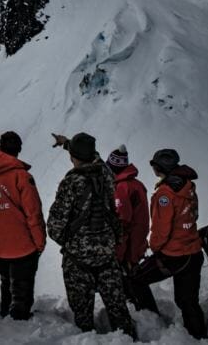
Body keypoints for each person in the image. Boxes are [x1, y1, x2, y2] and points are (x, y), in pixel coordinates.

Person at [47, 132, 137, 339]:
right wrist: (68, 144)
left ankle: (86, 340)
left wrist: (68, 241)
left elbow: (55, 224)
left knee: (83, 315)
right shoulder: (106, 173)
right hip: (107, 254)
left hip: (78, 259)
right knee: (119, 310)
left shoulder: (71, 182)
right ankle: (129, 340)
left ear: (74, 157)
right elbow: (93, 157)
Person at [129, 149, 208, 339]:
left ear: (160, 167)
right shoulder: (188, 186)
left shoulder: (165, 193)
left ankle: (151, 321)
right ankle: (200, 337)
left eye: (154, 164)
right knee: (187, 301)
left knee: (135, 279)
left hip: (173, 255)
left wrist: (155, 248)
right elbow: (193, 215)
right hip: (193, 252)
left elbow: (161, 229)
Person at [0, 131, 47, 320]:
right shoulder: (22, 176)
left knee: (6, 284)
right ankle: (18, 325)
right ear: (19, 149)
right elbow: (33, 214)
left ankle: (6, 317)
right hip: (24, 245)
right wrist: (39, 242)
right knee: (21, 289)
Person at [106, 145, 149, 306]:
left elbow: (122, 222)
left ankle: (142, 310)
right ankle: (147, 312)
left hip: (128, 245)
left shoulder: (122, 187)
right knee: (136, 279)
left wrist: (118, 252)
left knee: (130, 280)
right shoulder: (136, 184)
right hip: (137, 241)